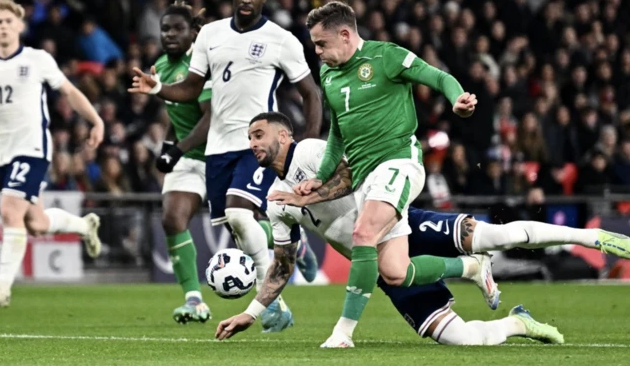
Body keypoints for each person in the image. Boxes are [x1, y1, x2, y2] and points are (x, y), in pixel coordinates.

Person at [214, 112, 592, 345]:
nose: (252, 143)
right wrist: (252, 312)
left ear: (283, 136)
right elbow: (283, 262)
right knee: (461, 339)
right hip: (376, 266)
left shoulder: (313, 151)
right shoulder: (275, 200)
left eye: (258, 134)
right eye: (248, 138)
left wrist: (307, 197)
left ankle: (586, 238)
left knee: (496, 235)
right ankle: (518, 323)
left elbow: (351, 175)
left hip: (402, 224)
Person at [128, 0, 321, 331]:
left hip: (259, 145)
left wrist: (305, 148)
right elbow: (189, 88)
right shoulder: (211, 35)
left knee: (238, 215)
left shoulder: (282, 39)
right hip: (218, 149)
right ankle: (295, 244)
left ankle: (272, 304)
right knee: (241, 226)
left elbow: (310, 94)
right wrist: (156, 88)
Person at [295, 0, 482, 347]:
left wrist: (457, 99)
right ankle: (471, 268)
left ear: (346, 35)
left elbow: (437, 76)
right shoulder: (328, 74)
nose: (317, 52)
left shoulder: (386, 56)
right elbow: (337, 132)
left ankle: (343, 333)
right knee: (395, 272)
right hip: (367, 178)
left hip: (399, 163)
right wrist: (321, 176)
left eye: (321, 44)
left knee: (363, 233)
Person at [0, 0, 103, 307]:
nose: (3, 26)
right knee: (35, 223)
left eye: (8, 21)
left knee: (10, 210)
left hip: (33, 148)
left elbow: (69, 91)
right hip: (3, 154)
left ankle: (1, 288)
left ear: (20, 26)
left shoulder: (37, 59)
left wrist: (95, 120)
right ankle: (84, 225)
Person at [151, 0, 212, 324]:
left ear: (193, 33)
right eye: (165, 29)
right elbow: (177, 114)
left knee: (243, 225)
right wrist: (166, 145)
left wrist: (177, 149)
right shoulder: (160, 66)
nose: (170, 34)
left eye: (177, 29)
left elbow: (210, 117)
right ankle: (194, 300)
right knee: (172, 220)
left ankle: (293, 245)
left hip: (219, 154)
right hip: (188, 157)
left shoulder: (201, 65)